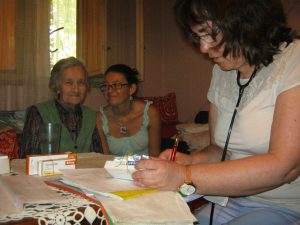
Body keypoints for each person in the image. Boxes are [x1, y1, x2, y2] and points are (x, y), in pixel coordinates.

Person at [132, 0, 300, 224]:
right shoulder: (222, 72)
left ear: (247, 21)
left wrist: (184, 176)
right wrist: (188, 162)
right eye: (198, 37)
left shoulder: (294, 60)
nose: (203, 48)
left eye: (209, 34)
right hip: (230, 201)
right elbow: (219, 149)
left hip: (285, 207)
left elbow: (285, 168)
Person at [21, 57, 103, 158]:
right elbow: (28, 158)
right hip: (48, 173)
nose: (76, 89)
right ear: (57, 87)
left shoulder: (90, 115)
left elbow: (98, 157)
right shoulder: (37, 112)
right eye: (69, 83)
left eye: (81, 82)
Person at [96, 64, 161, 157]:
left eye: (116, 85)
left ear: (131, 89)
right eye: (106, 86)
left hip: (146, 169)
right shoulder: (99, 118)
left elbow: (155, 156)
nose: (109, 90)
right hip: (114, 170)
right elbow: (106, 159)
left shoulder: (150, 113)